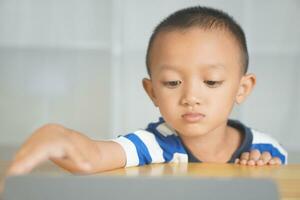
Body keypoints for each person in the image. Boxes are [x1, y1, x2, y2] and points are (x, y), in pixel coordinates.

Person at [6, 6, 287, 176]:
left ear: (242, 88)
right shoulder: (155, 145)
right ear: (152, 92)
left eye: (211, 82)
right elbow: (92, 156)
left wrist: (265, 167)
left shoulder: (264, 148)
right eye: (172, 83)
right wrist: (59, 137)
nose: (191, 97)